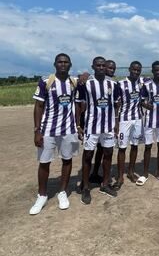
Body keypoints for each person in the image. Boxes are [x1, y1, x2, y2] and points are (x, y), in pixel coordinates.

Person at [30, 53, 79, 215]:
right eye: (60, 62)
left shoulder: (74, 82)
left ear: (70, 65)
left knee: (67, 160)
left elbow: (79, 103)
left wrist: (78, 125)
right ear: (55, 64)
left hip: (68, 130)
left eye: (66, 62)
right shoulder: (46, 81)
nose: (63, 64)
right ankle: (42, 195)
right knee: (44, 162)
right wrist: (37, 131)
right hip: (48, 130)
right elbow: (38, 106)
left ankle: (62, 192)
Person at [76, 56, 120, 205]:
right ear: (93, 67)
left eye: (103, 65)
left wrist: (115, 123)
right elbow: (78, 105)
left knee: (108, 153)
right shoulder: (86, 84)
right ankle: (86, 186)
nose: (101, 68)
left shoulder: (113, 85)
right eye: (98, 66)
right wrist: (78, 125)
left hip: (107, 126)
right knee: (88, 155)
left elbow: (115, 105)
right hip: (91, 126)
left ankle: (105, 184)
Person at [140, 61, 159, 185]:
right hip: (149, 121)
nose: (158, 72)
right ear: (152, 71)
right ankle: (145, 173)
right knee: (148, 146)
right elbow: (141, 101)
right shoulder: (147, 85)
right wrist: (147, 106)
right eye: (155, 70)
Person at [115, 61, 144, 188]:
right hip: (124, 120)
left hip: (137, 119)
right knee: (122, 148)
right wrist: (116, 121)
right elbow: (116, 104)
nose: (136, 72)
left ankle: (131, 172)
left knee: (135, 145)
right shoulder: (120, 84)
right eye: (134, 70)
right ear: (129, 69)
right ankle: (120, 175)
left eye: (138, 70)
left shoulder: (142, 82)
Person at [90, 59, 117, 184]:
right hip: (92, 122)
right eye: (109, 68)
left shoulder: (112, 83)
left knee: (102, 149)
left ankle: (96, 173)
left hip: (106, 124)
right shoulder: (90, 80)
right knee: (91, 151)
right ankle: (90, 177)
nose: (111, 70)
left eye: (113, 69)